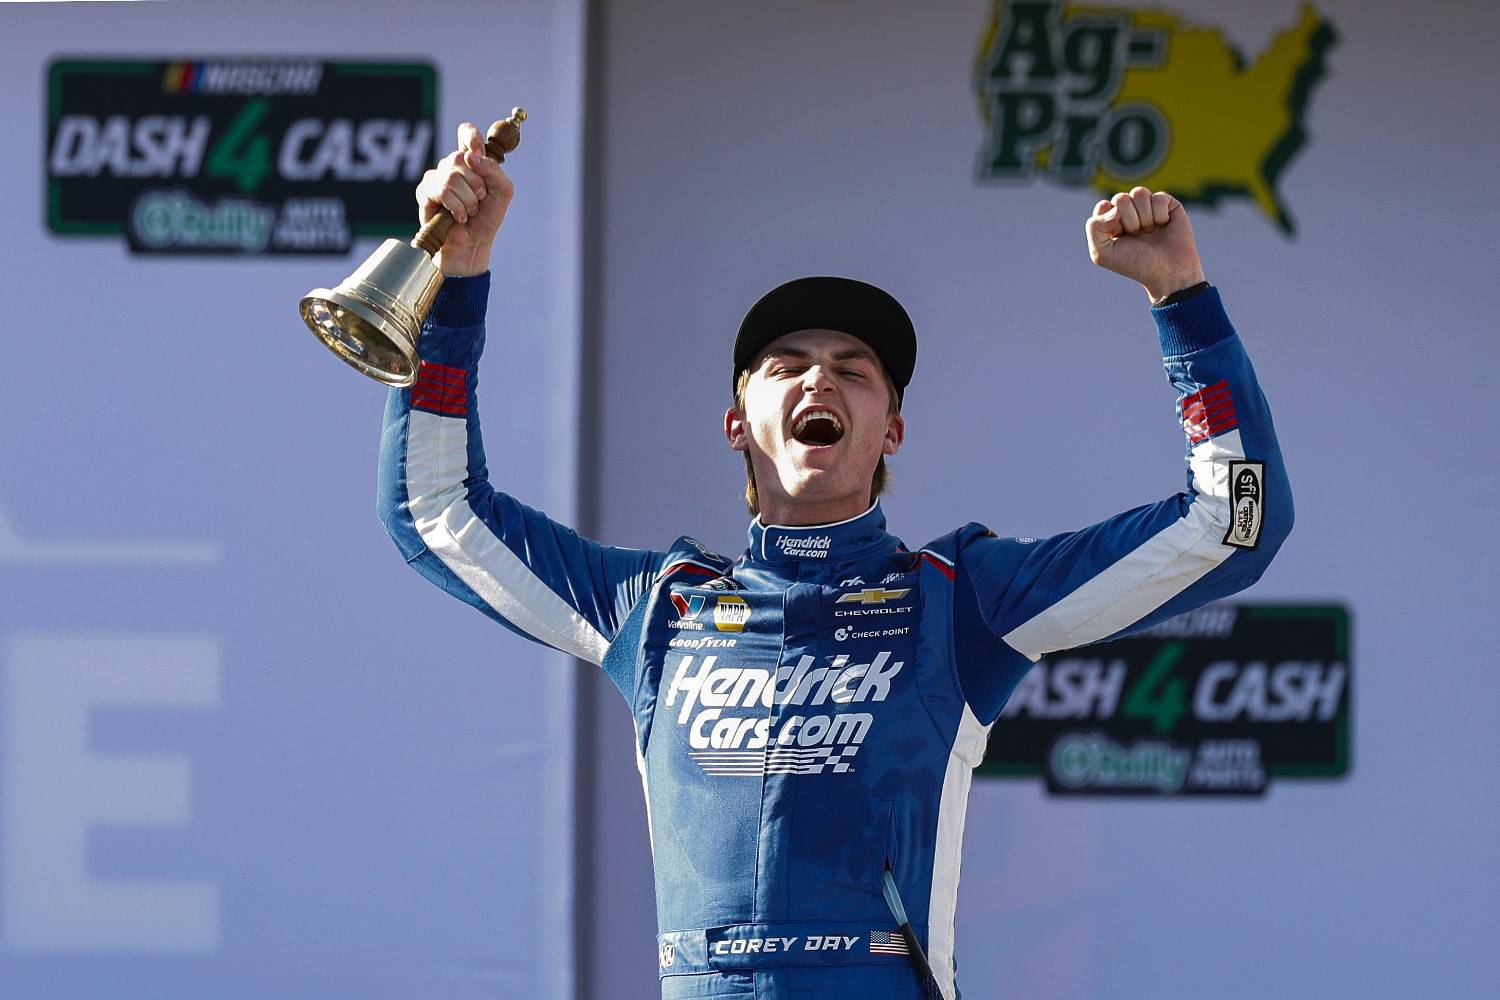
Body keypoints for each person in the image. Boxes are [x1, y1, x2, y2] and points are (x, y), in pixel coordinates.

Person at [376, 123, 1292, 1000]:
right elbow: (437, 511)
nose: (820, 379)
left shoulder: (960, 601)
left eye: (855, 369)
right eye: (787, 364)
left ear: (889, 429)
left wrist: (1183, 300)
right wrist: (455, 283)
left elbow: (1229, 525)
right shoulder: (654, 611)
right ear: (737, 425)